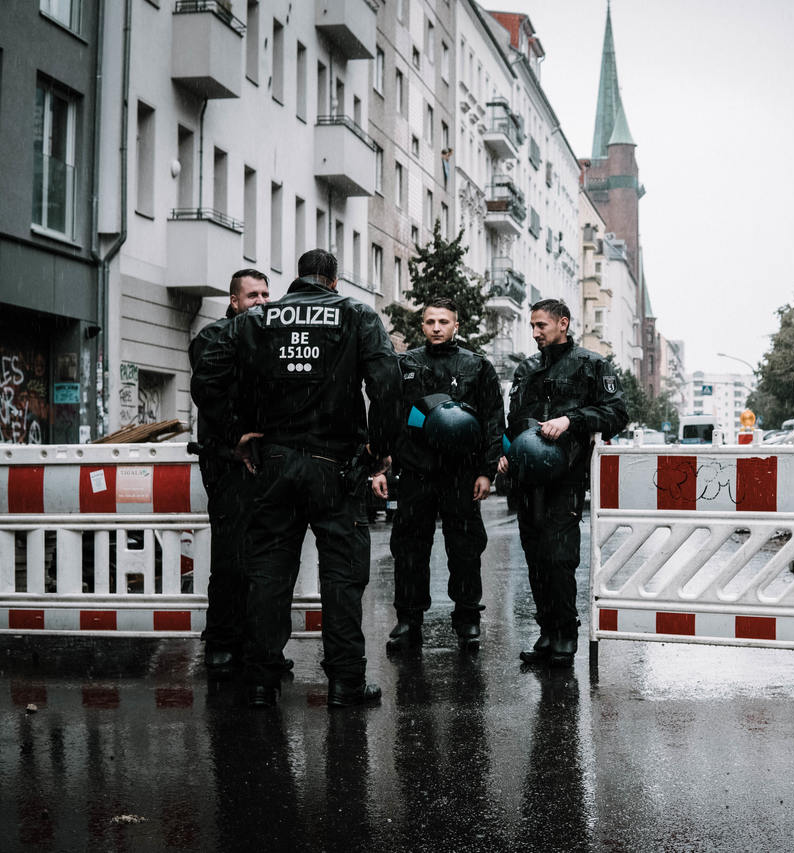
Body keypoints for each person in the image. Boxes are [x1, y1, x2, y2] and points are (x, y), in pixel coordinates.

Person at [192, 249, 400, 708]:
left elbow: (206, 373)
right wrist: (378, 449)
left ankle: (263, 680)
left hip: (275, 464)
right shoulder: (357, 316)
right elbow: (387, 382)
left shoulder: (258, 319)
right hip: (335, 466)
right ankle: (345, 682)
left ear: (298, 277)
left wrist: (234, 434)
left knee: (268, 572)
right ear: (334, 279)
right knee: (342, 577)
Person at [497, 299, 627, 667]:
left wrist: (571, 420)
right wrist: (506, 452)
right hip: (526, 479)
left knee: (558, 558)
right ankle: (546, 633)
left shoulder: (592, 364)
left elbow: (617, 412)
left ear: (563, 323)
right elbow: (515, 421)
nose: (535, 333)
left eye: (541, 325)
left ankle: (565, 636)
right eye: (532, 326)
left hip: (565, 478)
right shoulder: (526, 369)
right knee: (536, 559)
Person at [374, 297, 504, 653]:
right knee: (409, 549)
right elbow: (389, 415)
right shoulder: (406, 364)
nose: (436, 327)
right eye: (430, 321)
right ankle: (408, 620)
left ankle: (467, 620)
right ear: (422, 326)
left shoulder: (477, 366)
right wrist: (382, 466)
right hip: (416, 471)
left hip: (462, 474)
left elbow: (494, 421)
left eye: (443, 321)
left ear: (455, 325)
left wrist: (486, 472)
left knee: (464, 549)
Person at [188, 269, 270, 674]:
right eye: (252, 295)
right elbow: (211, 395)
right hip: (226, 460)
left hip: (261, 460)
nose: (260, 302)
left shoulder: (267, 335)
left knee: (263, 559)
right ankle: (221, 640)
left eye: (265, 295)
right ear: (234, 300)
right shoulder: (213, 337)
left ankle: (258, 645)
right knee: (230, 557)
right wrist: (236, 439)